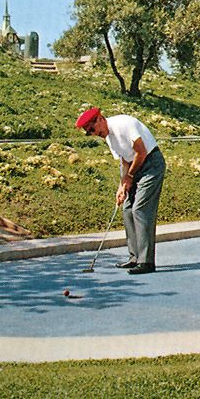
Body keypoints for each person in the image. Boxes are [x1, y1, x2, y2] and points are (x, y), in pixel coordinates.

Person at [75, 107, 166, 275]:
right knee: (127, 209)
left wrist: (130, 177)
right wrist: (122, 186)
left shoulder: (124, 123)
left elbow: (141, 152)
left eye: (92, 129)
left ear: (100, 119)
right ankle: (135, 257)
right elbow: (124, 160)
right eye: (89, 133)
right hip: (134, 167)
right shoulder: (109, 138)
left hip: (151, 164)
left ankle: (146, 262)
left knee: (140, 209)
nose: (93, 134)